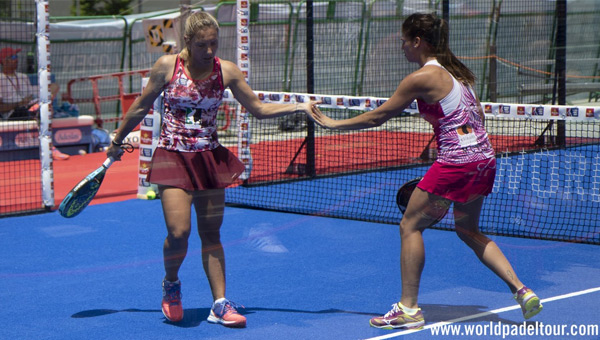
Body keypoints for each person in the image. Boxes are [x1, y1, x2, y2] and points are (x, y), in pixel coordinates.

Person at [307, 13, 542, 329]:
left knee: (409, 226)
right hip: (484, 161)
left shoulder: (421, 77)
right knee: (467, 230)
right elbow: (477, 121)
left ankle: (409, 309)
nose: (402, 47)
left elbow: (380, 117)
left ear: (417, 41)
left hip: (456, 164)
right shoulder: (460, 76)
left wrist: (333, 123)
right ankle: (521, 290)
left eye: (404, 41)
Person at [106, 11, 316, 328]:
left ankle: (219, 304)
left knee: (211, 233)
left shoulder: (226, 72)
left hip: (209, 159)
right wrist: (117, 140)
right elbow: (140, 106)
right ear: (187, 41)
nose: (209, 51)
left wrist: (299, 106)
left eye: (214, 44)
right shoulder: (167, 66)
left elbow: (258, 108)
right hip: (173, 158)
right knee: (179, 233)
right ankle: (171, 284)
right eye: (202, 44)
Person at [0, 47, 68, 160]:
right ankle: (50, 148)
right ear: (4, 61)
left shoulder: (22, 77)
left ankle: (37, 109)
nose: (16, 60)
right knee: (39, 111)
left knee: (53, 88)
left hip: (28, 105)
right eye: (13, 57)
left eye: (16, 57)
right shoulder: (1, 79)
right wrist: (19, 103)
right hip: (13, 113)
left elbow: (41, 90)